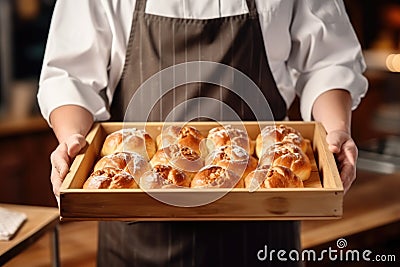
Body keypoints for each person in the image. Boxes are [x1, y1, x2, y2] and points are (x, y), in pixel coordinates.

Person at [38, 0, 368, 266]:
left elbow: (328, 63)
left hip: (265, 219)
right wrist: (72, 139)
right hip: (136, 235)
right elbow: (69, 77)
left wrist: (337, 129)